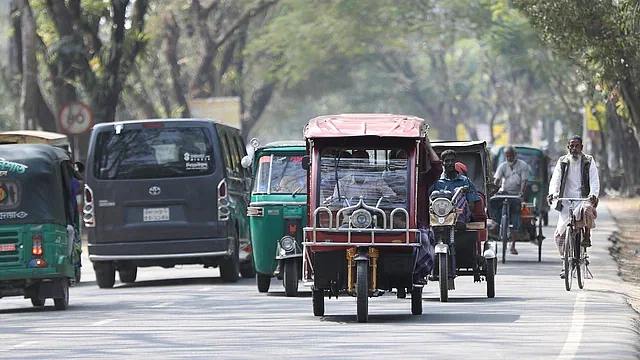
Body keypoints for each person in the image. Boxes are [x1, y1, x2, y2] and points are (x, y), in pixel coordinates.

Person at [548, 135, 600, 279]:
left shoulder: (588, 161)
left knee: (588, 210)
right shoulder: (563, 161)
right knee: (560, 236)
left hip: (583, 198)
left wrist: (593, 194)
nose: (574, 149)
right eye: (571, 146)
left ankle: (587, 236)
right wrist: (553, 193)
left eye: (576, 146)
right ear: (568, 147)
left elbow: (594, 180)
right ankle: (566, 263)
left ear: (581, 147)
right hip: (566, 201)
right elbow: (555, 179)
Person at [413, 136, 443, 284]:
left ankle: (420, 274)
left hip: (418, 224)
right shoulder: (387, 178)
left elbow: (438, 168)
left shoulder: (422, 179)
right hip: (395, 223)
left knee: (424, 240)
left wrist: (429, 147)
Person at [491, 145, 530, 255]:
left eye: (511, 155)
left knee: (515, 217)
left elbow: (524, 181)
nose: (509, 157)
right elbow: (497, 180)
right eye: (507, 156)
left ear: (515, 155)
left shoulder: (523, 166)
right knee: (493, 204)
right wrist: (494, 190)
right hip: (504, 193)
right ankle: (496, 223)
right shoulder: (502, 166)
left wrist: (521, 192)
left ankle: (513, 245)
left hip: (516, 195)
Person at [326, 150, 396, 205]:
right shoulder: (343, 183)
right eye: (356, 162)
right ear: (351, 163)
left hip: (374, 217)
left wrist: (383, 201)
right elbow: (336, 201)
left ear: (368, 163)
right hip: (349, 218)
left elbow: (391, 196)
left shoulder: (376, 180)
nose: (359, 165)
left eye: (362, 161)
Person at [430, 149, 480, 224]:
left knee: (458, 191)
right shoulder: (436, 181)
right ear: (442, 163)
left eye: (452, 160)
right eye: (447, 161)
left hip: (461, 215)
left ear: (455, 162)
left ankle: (458, 221)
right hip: (440, 215)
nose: (450, 163)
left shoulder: (465, 181)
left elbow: (471, 206)